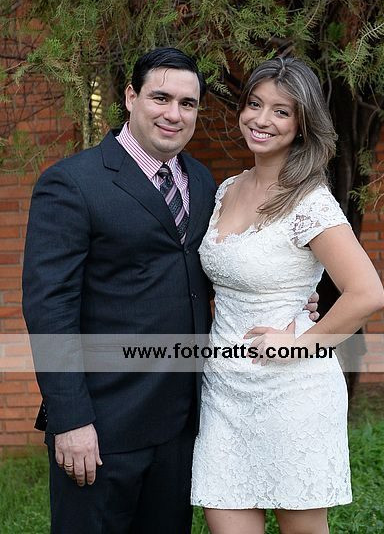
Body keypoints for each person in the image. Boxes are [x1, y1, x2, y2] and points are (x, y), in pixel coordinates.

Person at [22, 47, 319, 534]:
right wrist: (70, 418)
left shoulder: (202, 182)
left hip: (182, 424)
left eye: (188, 103)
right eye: (160, 98)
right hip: (103, 425)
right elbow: (49, 308)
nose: (174, 114)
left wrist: (288, 299)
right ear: (130, 97)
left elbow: (216, 273)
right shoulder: (72, 183)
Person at [191, 57, 384, 534]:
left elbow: (366, 293)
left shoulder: (308, 201)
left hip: (292, 390)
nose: (262, 119)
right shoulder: (227, 189)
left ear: (302, 125)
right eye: (254, 104)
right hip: (224, 389)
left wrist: (298, 343)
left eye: (281, 111)